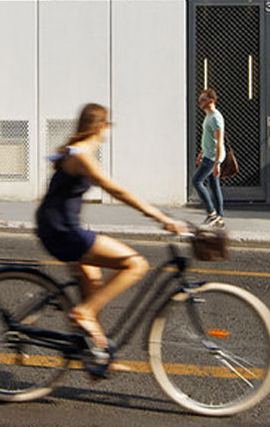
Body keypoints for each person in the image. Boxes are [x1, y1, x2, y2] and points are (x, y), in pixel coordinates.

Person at [35, 102, 187, 374]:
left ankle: (97, 355)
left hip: (57, 228)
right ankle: (83, 314)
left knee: (93, 287)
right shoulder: (82, 155)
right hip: (63, 231)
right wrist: (161, 218)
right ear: (101, 126)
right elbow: (116, 191)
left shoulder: (76, 151)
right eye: (107, 126)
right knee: (136, 264)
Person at [189, 87, 226, 226]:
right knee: (214, 186)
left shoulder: (215, 118)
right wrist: (201, 153)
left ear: (211, 101)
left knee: (196, 181)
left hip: (212, 157)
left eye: (203, 99)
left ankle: (212, 213)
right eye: (200, 99)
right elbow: (208, 139)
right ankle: (219, 218)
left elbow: (219, 142)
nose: (200, 102)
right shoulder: (208, 116)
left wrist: (217, 163)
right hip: (208, 154)